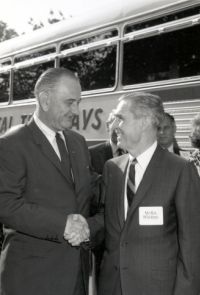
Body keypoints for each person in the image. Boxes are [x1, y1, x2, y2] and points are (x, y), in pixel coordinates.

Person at [92, 91, 200, 295]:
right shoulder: (112, 168)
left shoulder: (180, 170)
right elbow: (106, 222)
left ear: (144, 122)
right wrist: (74, 227)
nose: (116, 126)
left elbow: (192, 244)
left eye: (121, 118)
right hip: (113, 286)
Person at [0, 68, 94, 295]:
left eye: (78, 102)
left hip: (77, 277)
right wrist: (63, 225)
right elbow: (7, 205)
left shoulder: (78, 142)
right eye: (70, 102)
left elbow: (89, 193)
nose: (76, 110)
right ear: (44, 99)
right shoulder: (12, 143)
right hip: (32, 279)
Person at [89, 111, 125, 286]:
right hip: (101, 236)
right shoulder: (91, 154)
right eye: (115, 125)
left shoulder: (132, 154)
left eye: (121, 125)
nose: (118, 129)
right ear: (107, 126)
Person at [89, 111, 125, 175]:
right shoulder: (92, 154)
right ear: (108, 127)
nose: (119, 126)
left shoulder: (135, 152)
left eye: (122, 122)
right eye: (116, 121)